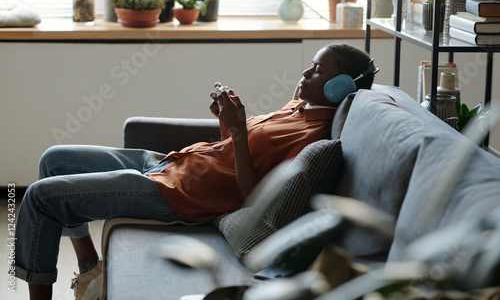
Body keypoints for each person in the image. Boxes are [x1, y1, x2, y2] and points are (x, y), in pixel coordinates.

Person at [12, 43, 376, 300]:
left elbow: (254, 199)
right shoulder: (300, 108)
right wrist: (227, 123)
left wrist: (236, 130)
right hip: (172, 163)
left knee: (39, 198)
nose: (305, 72)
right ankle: (89, 266)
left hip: (179, 194)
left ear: (340, 86)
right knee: (54, 160)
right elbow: (240, 152)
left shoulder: (313, 136)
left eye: (317, 70)